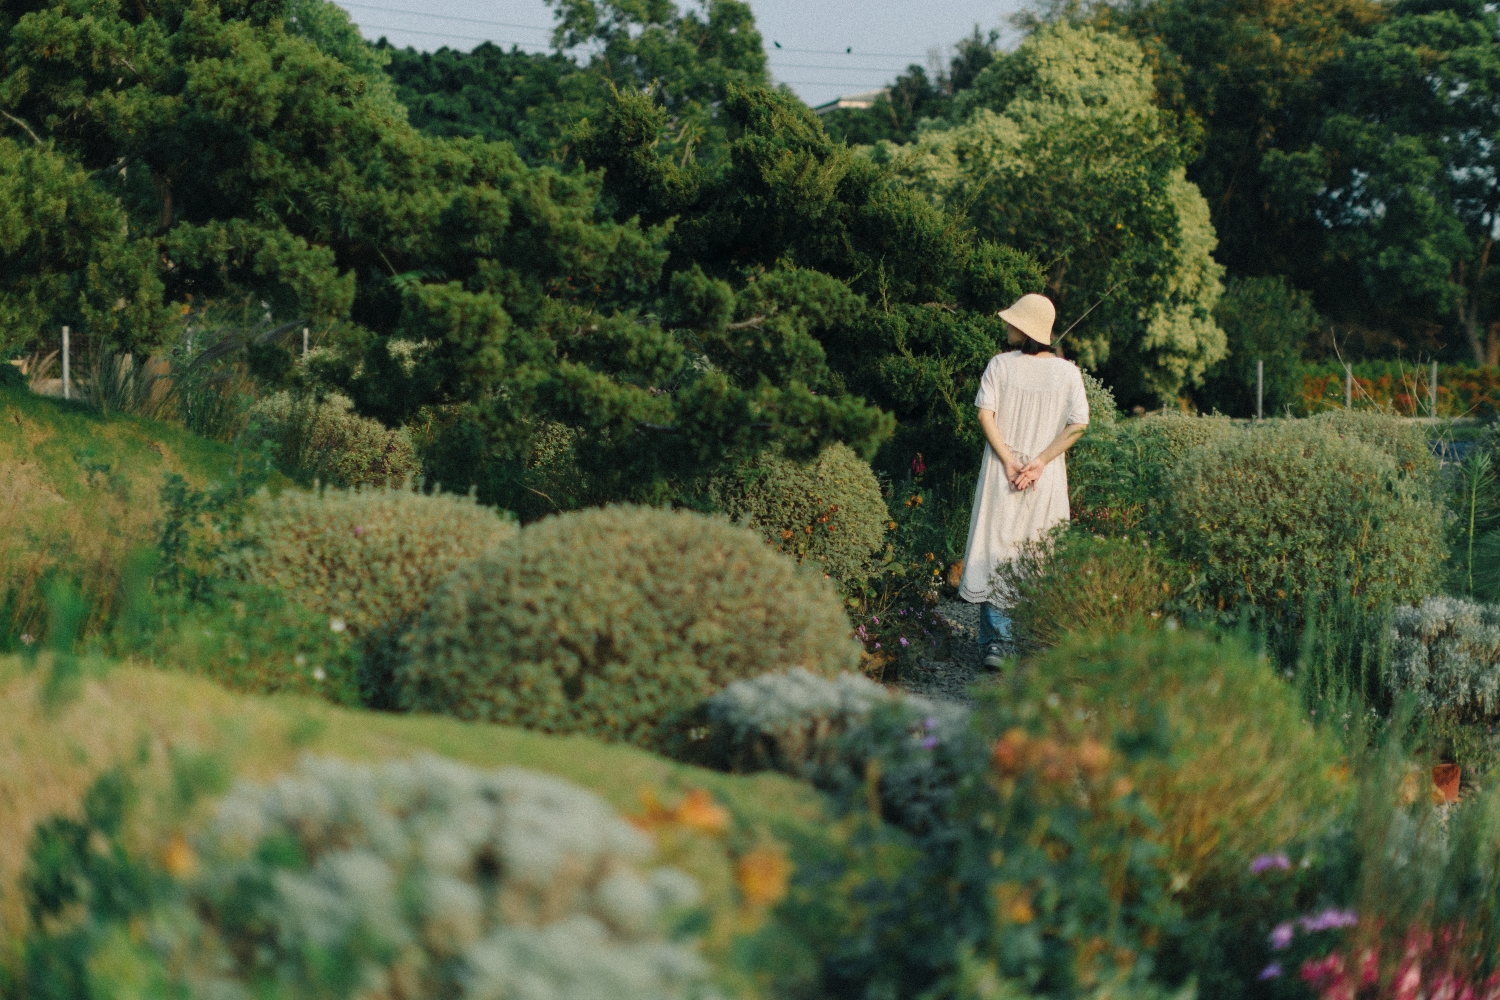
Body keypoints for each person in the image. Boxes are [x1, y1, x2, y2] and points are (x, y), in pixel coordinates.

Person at [957, 293, 1090, 669]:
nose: (1007, 326)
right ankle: (1033, 641)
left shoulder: (1000, 365)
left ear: (1025, 327)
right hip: (1041, 479)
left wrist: (1009, 461)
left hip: (1004, 474)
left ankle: (997, 644)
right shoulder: (1067, 372)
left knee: (997, 542)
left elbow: (986, 415)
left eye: (1012, 321)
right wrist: (1039, 463)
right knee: (1035, 548)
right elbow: (1078, 424)